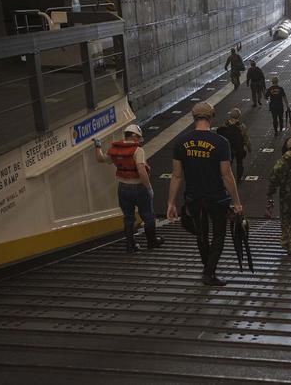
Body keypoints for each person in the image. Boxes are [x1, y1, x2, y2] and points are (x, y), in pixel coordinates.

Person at [167, 102, 244, 286]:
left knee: (201, 234)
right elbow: (226, 174)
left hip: (194, 198)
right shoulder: (220, 142)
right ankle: (209, 273)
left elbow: (176, 175)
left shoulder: (181, 142)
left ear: (193, 117)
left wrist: (171, 202)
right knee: (219, 235)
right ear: (212, 116)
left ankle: (207, 269)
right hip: (217, 198)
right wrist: (237, 202)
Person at [94, 124, 162, 253]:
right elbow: (142, 171)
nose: (139, 140)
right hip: (138, 188)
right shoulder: (138, 150)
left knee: (128, 217)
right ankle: (152, 242)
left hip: (123, 189)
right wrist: (149, 188)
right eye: (139, 137)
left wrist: (97, 146)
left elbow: (100, 158)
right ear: (135, 136)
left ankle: (130, 246)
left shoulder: (115, 149)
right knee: (148, 215)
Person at [217, 107, 252, 183]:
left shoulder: (224, 125)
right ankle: (239, 178)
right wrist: (249, 148)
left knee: (228, 163)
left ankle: (226, 177)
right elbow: (246, 138)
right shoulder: (241, 126)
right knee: (239, 163)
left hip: (228, 148)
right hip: (239, 148)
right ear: (239, 116)